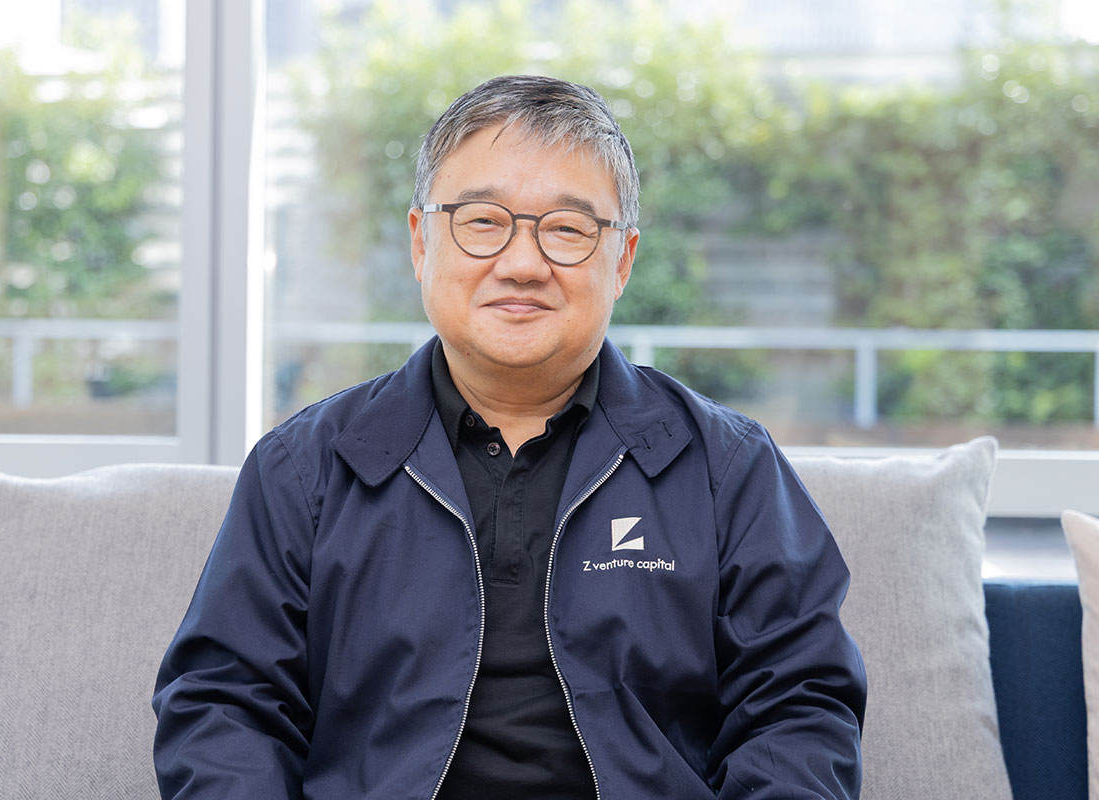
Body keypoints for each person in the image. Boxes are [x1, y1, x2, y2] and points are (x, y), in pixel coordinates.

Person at [153, 74, 867, 799]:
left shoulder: (727, 469)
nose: (522, 265)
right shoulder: (304, 470)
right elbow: (224, 707)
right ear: (420, 241)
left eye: (566, 229)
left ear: (620, 260)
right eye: (483, 221)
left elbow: (798, 709)